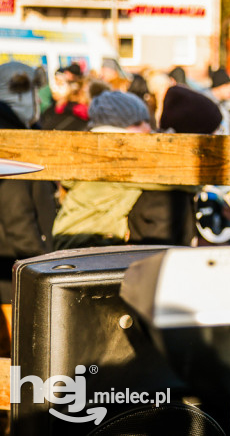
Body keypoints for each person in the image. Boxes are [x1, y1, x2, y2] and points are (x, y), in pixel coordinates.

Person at [53, 91, 196, 249]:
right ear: (113, 129)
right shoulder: (114, 158)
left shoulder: (98, 151)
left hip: (77, 239)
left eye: (146, 121)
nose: (147, 128)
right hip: (85, 242)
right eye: (137, 124)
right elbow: (175, 179)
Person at [0, 62, 57, 302]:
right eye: (32, 93)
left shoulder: (24, 132)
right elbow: (17, 215)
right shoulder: (11, 140)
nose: (39, 101)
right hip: (15, 275)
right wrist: (41, 268)